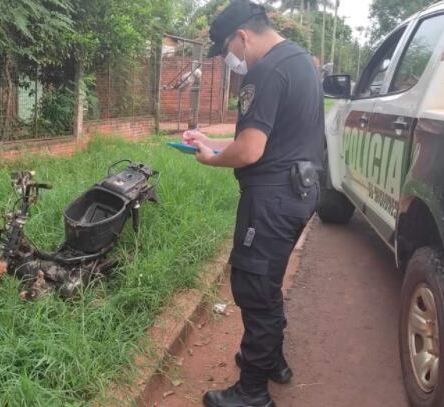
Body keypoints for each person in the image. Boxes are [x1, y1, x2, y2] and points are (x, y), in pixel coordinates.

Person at [183, 1, 324, 406]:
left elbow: (249, 151)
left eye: (226, 49)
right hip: (301, 191)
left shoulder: (264, 71)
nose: (229, 61)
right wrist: (210, 142)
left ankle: (251, 393)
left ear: (242, 37)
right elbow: (271, 141)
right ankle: (272, 361)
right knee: (269, 279)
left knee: (254, 286)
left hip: (271, 199)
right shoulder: (299, 62)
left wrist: (212, 159)